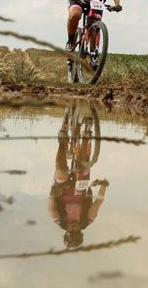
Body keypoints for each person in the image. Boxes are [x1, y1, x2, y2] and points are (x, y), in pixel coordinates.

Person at [48, 103, 109, 249]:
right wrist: (104, 186)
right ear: (81, 232)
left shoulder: (59, 220)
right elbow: (97, 203)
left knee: (60, 170)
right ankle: (87, 134)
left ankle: (63, 141)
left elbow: (51, 207)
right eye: (77, 231)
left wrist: (53, 193)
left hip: (62, 188)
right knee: (82, 169)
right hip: (80, 190)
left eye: (72, 231)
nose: (75, 228)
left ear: (67, 232)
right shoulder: (86, 221)